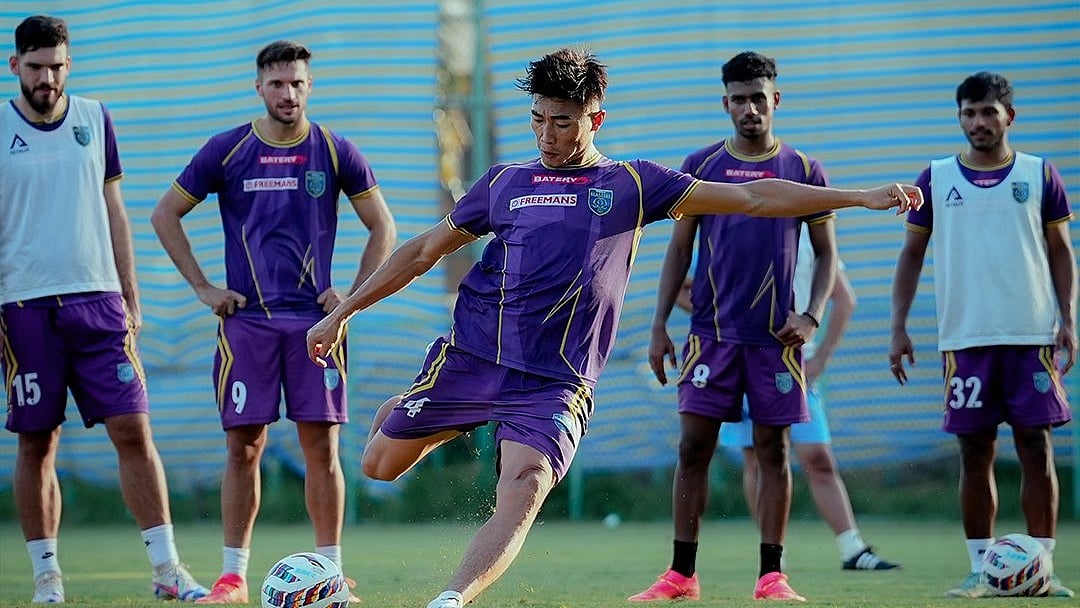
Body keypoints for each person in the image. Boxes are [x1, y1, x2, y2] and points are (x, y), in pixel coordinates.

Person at [305, 47, 919, 608]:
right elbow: (420, 252)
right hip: (475, 359)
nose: (548, 133)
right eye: (539, 119)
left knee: (524, 486)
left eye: (563, 121)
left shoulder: (631, 184)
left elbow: (755, 198)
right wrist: (341, 312)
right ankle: (421, 410)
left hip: (556, 381)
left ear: (596, 120)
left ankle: (450, 600)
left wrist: (856, 197)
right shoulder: (504, 184)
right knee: (378, 466)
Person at [151, 40, 396, 605]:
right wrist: (202, 286)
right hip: (249, 324)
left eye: (299, 83)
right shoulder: (228, 149)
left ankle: (332, 577)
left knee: (321, 448)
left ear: (310, 86)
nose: (289, 93)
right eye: (278, 83)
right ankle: (232, 578)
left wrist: (349, 300)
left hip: (316, 326)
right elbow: (165, 213)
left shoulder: (335, 151)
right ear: (259, 86)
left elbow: (382, 226)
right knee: (243, 448)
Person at [628, 51, 853, 603]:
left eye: (759, 97)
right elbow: (679, 249)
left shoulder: (803, 169)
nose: (749, 108)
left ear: (776, 99)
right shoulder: (701, 165)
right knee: (692, 449)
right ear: (724, 102)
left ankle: (772, 576)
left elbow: (826, 256)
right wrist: (658, 326)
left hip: (776, 342)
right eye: (738, 98)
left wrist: (812, 316)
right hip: (711, 336)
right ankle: (681, 575)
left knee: (773, 451)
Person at [0, 15, 208, 604]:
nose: (48, 78)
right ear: (14, 65)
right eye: (36, 67)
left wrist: (130, 293)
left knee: (133, 428)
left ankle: (168, 570)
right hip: (23, 306)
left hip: (99, 301)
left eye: (58, 66)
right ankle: (47, 576)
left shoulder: (95, 118)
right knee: (37, 441)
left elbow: (115, 210)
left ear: (70, 65)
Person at [889, 71, 1074, 599]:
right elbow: (911, 256)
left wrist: (1068, 321)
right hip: (965, 340)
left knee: (1036, 448)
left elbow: (1061, 252)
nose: (978, 122)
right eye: (969, 113)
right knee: (974, 452)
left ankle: (1044, 567)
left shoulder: (1040, 174)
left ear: (1009, 116)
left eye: (988, 112)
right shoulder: (936, 177)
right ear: (960, 117)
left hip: (1030, 334)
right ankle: (979, 570)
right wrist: (898, 327)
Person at [716, 228, 900, 573]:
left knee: (818, 458)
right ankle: (773, 555)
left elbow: (845, 298)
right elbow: (695, 289)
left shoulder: (811, 231)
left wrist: (823, 356)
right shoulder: (737, 220)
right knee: (757, 459)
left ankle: (852, 549)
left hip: (795, 366)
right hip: (745, 362)